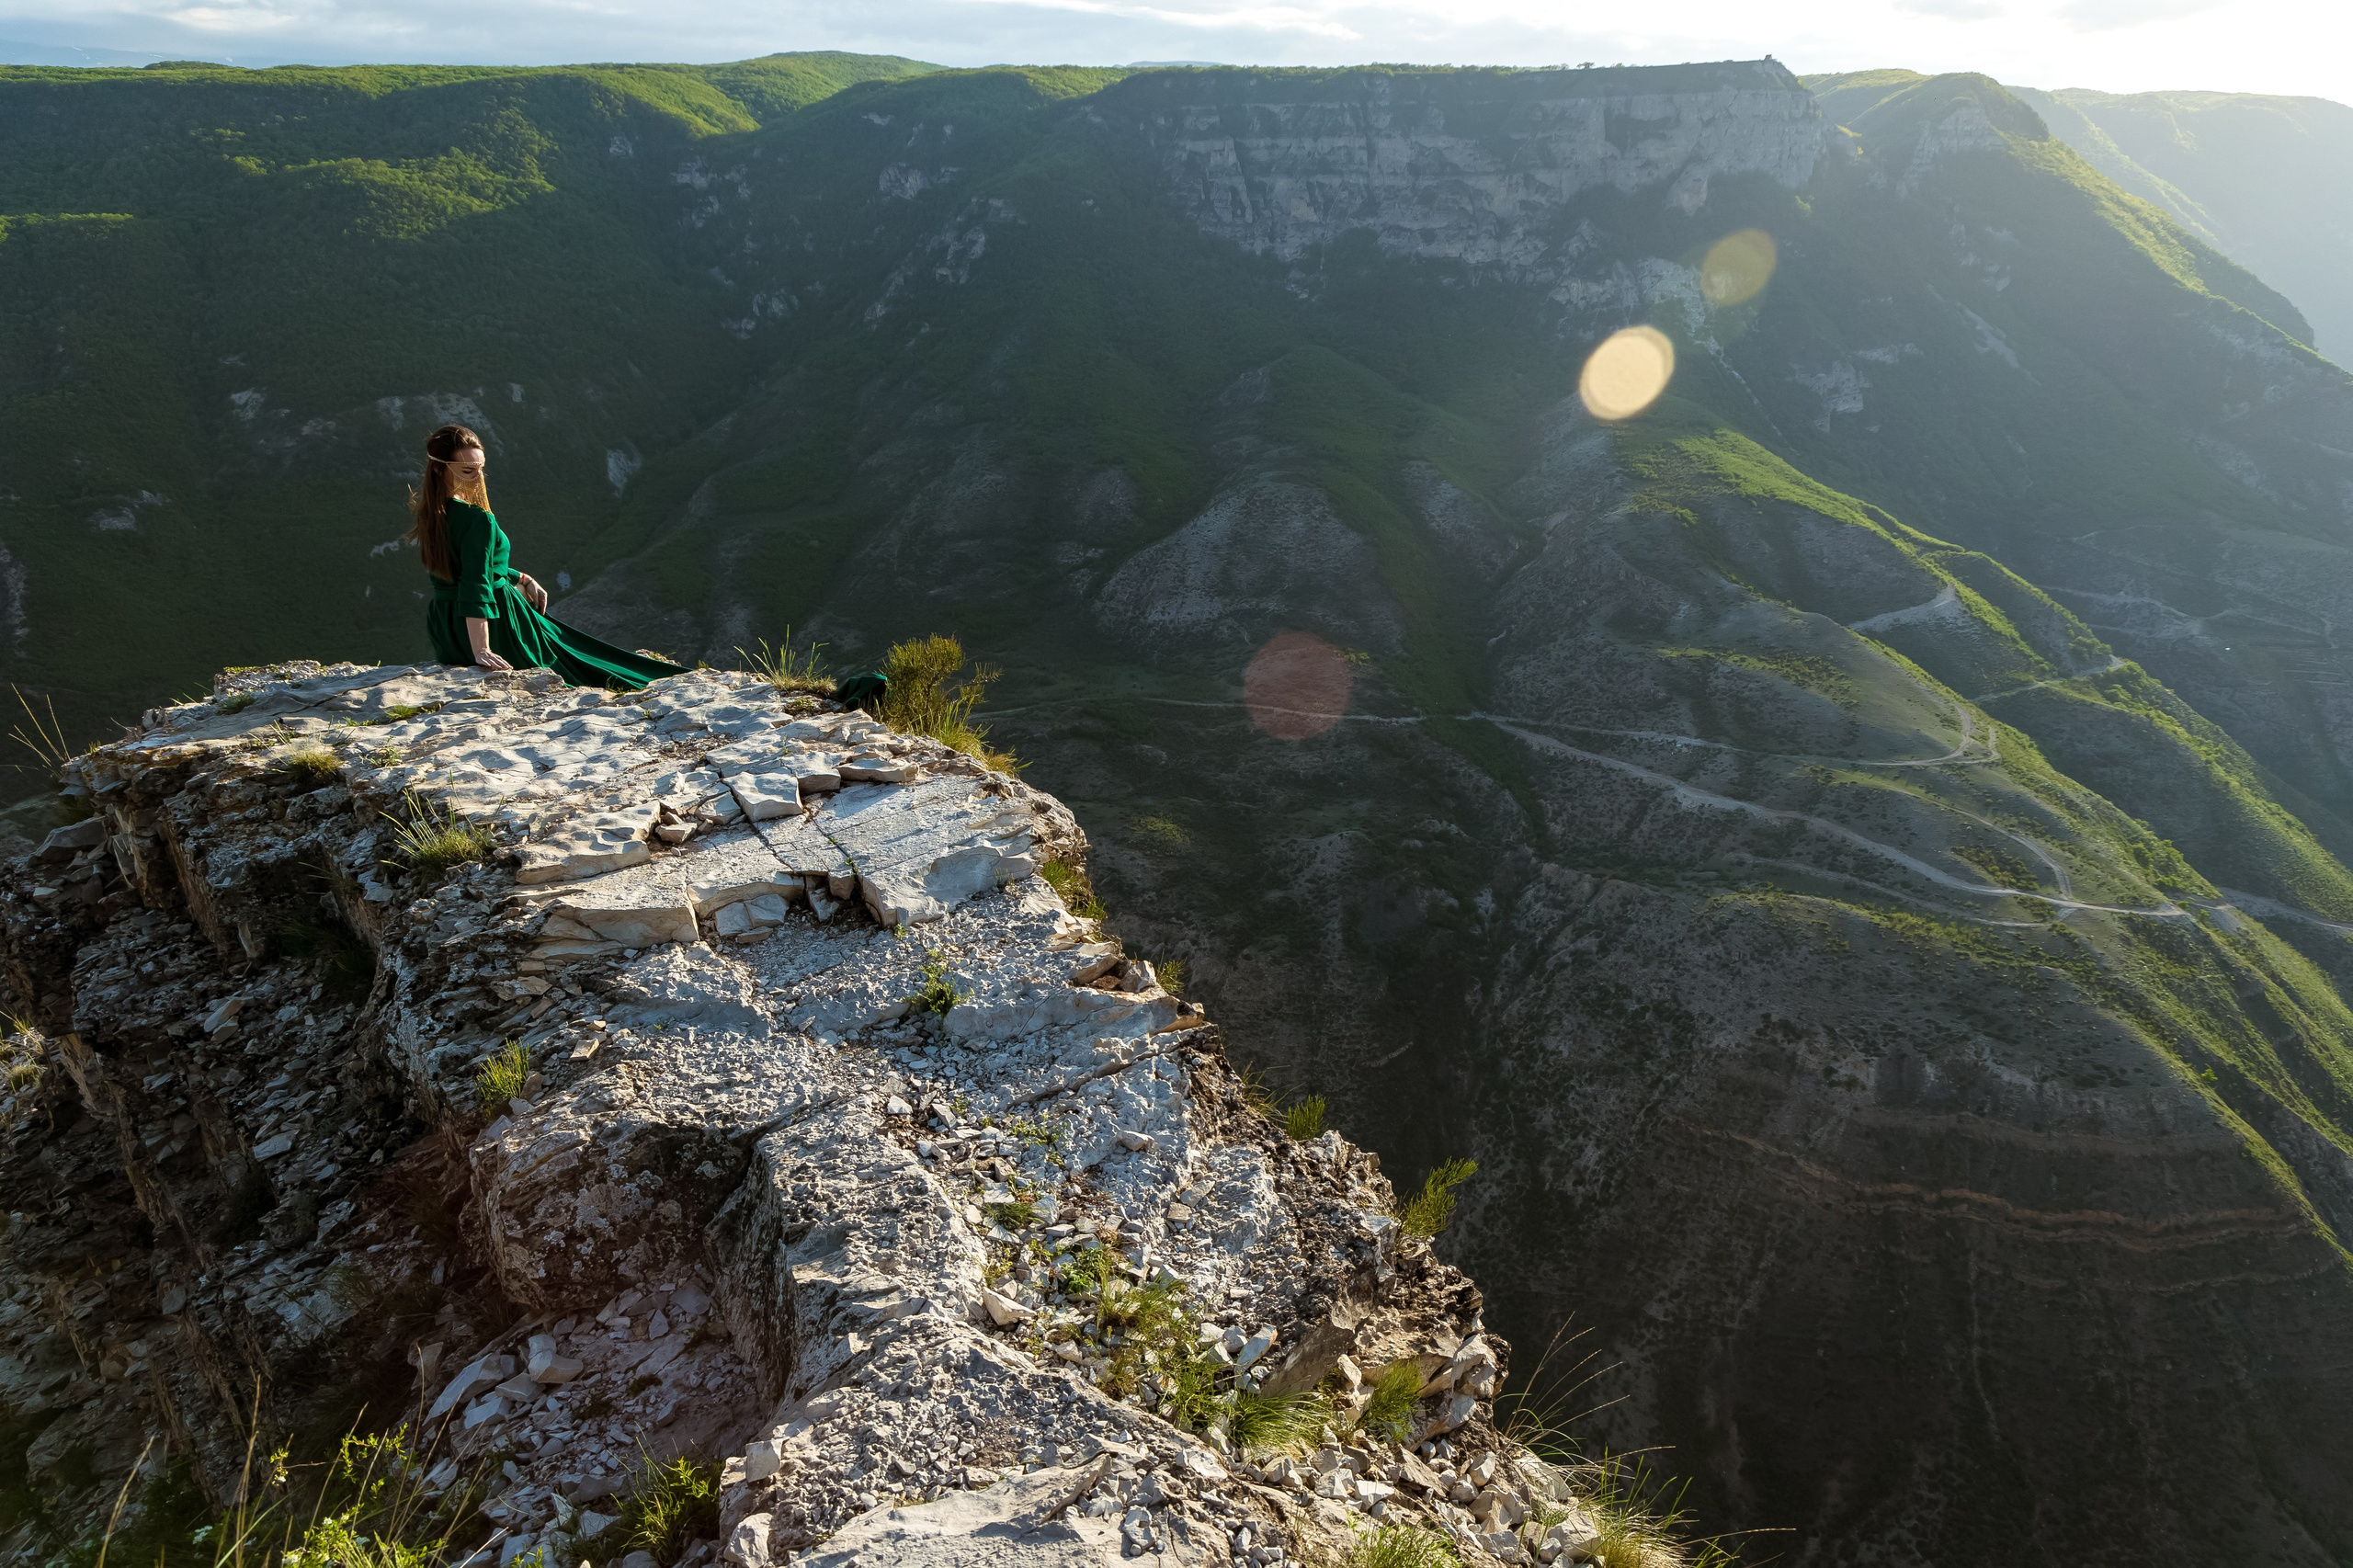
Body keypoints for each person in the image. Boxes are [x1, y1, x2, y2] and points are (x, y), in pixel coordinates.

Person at [405, 424, 686, 689]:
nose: (478, 477)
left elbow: (461, 568)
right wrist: (482, 649)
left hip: (448, 631)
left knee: (570, 648)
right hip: (496, 623)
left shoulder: (431, 513)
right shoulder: (477, 519)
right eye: (468, 471)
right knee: (577, 660)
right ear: (441, 471)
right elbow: (475, 583)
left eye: (481, 468)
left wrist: (520, 577)